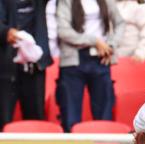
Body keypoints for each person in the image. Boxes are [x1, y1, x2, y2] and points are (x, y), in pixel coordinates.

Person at [55, 0, 124, 132]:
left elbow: (120, 23)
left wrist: (111, 44)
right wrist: (94, 41)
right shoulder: (66, 1)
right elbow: (63, 31)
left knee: (104, 112)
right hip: (73, 60)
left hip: (101, 58)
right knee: (70, 114)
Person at [0, 0, 52, 130]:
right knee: (3, 119)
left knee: (35, 119)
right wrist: (6, 32)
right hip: (6, 66)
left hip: (34, 67)